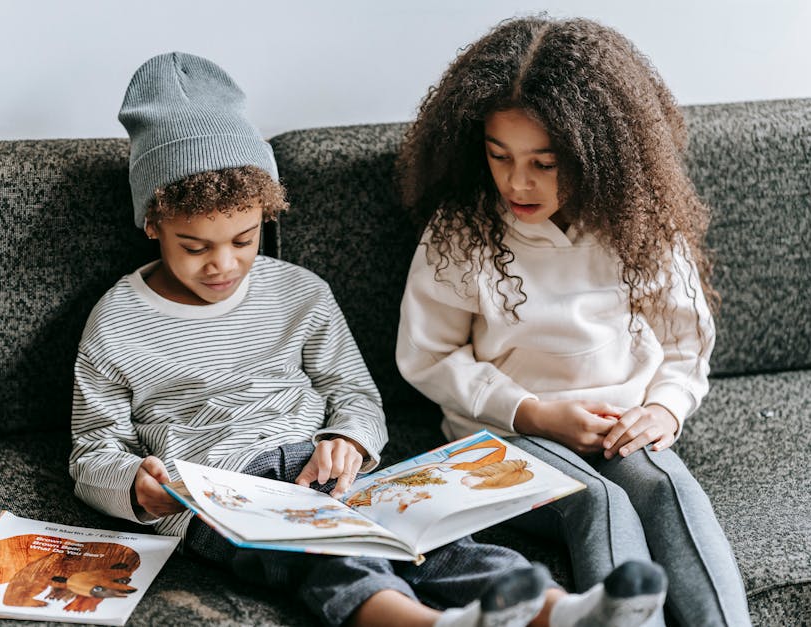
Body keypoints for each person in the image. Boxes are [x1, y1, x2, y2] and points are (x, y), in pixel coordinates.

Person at [69, 51, 667, 627]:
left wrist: (347, 438)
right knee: (327, 551)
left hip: (329, 472)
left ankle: (552, 611)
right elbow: (93, 451)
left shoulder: (299, 293)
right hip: (221, 496)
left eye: (245, 240)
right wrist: (139, 491)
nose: (223, 265)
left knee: (437, 536)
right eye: (194, 247)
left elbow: (354, 393)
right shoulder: (117, 322)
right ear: (152, 224)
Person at [395, 15, 751, 627]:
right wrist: (533, 412)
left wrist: (663, 408)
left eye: (545, 162)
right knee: (600, 502)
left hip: (619, 426)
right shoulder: (462, 232)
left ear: (599, 155)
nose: (517, 182)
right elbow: (428, 355)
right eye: (499, 156)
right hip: (502, 437)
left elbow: (685, 344)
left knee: (667, 489)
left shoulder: (640, 226)